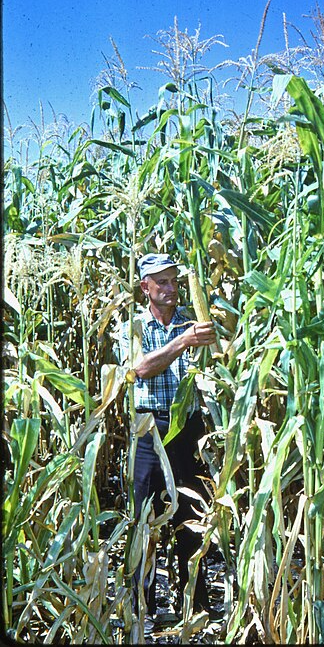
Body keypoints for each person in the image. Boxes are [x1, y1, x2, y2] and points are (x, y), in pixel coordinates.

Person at [118, 252, 216, 619]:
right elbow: (139, 368)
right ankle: (141, 607)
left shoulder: (193, 323)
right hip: (148, 431)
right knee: (144, 519)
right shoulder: (134, 327)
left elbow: (220, 362)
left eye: (174, 281)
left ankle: (195, 603)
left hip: (187, 431)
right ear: (146, 287)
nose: (171, 288)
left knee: (189, 518)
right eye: (162, 282)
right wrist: (184, 343)